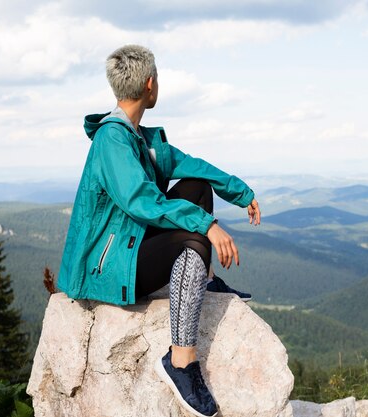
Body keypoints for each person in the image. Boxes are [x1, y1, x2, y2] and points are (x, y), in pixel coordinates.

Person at [57, 44, 261, 417]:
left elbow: (192, 165)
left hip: (131, 245)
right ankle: (180, 362)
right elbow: (142, 202)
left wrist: (240, 191)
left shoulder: (139, 137)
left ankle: (207, 280)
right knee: (195, 235)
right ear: (150, 84)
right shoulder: (112, 140)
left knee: (197, 186)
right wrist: (208, 225)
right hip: (106, 266)